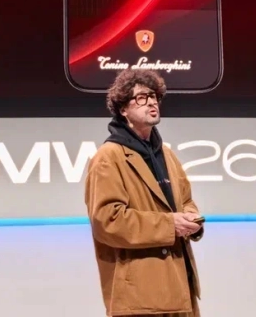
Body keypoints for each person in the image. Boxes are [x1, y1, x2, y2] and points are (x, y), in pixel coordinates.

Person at [84, 68, 204, 317]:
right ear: (123, 109)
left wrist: (192, 218)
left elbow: (186, 200)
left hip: (180, 287)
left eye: (154, 96)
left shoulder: (167, 154)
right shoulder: (108, 157)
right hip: (140, 295)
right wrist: (169, 225)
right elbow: (108, 220)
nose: (151, 102)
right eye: (141, 97)